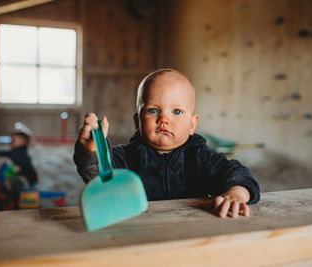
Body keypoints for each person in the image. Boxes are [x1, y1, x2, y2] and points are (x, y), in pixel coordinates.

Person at [73, 69, 260, 218]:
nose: (164, 119)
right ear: (137, 122)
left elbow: (236, 173)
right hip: (139, 234)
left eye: (177, 112)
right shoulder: (126, 158)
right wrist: (93, 150)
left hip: (190, 231)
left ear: (192, 124)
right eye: (153, 110)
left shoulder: (201, 157)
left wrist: (236, 193)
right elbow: (100, 177)